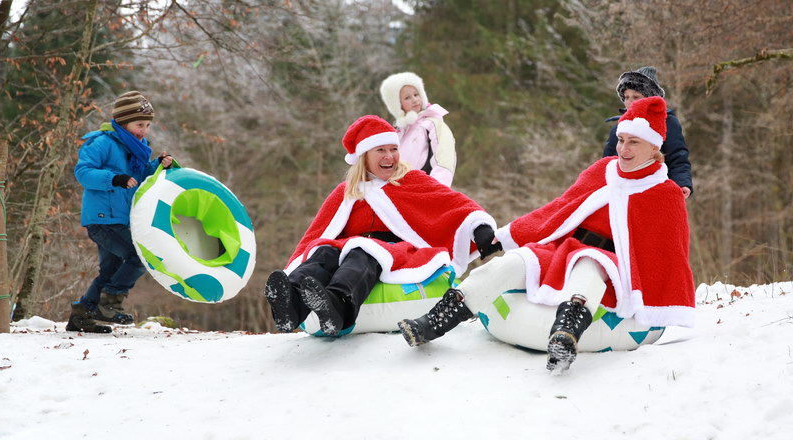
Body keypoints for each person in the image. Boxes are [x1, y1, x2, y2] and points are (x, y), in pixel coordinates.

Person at [399, 97, 695, 373]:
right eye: (621, 140)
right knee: (514, 262)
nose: (623, 149)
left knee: (590, 264)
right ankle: (436, 321)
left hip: (615, 268)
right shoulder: (602, 171)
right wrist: (507, 235)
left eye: (633, 142)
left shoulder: (665, 193)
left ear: (654, 148)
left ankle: (565, 336)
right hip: (565, 249)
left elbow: (671, 253)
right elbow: (559, 208)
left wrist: (661, 304)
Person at [264, 115, 499, 336]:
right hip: (348, 247)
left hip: (394, 250)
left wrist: (480, 229)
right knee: (324, 251)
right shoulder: (347, 191)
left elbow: (453, 203)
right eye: (381, 150)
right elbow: (318, 231)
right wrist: (296, 263)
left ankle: (338, 305)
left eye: (394, 149)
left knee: (362, 252)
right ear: (364, 156)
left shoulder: (411, 180)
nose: (389, 156)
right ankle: (292, 302)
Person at [66, 91, 174, 333]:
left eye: (147, 125)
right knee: (139, 255)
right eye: (139, 124)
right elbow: (83, 172)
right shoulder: (102, 142)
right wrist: (114, 178)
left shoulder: (137, 148)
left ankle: (82, 316)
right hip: (102, 219)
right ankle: (110, 304)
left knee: (110, 270)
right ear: (123, 122)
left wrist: (157, 165)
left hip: (120, 219)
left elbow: (138, 177)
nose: (144, 130)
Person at [603, 66, 693, 199]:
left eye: (636, 97)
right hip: (622, 191)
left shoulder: (667, 123)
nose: (629, 102)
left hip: (656, 189)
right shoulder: (620, 127)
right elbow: (607, 162)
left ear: (650, 98)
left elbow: (678, 157)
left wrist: (682, 183)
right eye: (626, 97)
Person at [379, 72, 457, 187]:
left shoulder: (432, 124)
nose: (415, 100)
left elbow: (445, 159)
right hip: (402, 191)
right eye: (407, 98)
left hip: (427, 188)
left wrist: (437, 189)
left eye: (416, 94)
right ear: (398, 105)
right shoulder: (398, 134)